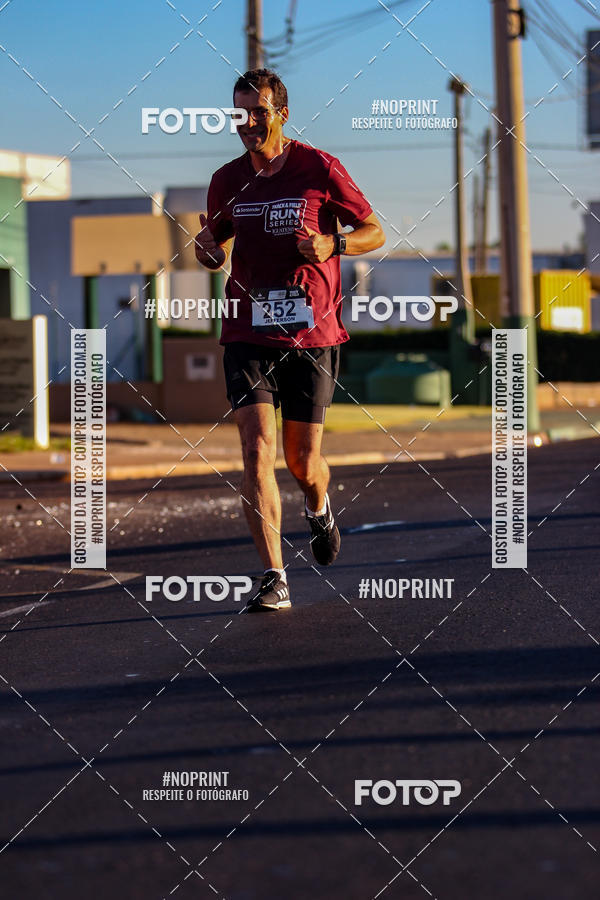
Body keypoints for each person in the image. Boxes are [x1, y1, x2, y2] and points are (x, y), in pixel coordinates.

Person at [195, 68, 385, 612]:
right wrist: (206, 250)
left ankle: (319, 506)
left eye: (258, 112)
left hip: (311, 332)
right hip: (247, 329)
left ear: (281, 113)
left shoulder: (318, 168)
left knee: (303, 463)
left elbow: (376, 230)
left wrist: (334, 244)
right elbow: (213, 251)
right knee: (257, 452)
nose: (248, 123)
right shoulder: (227, 179)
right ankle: (273, 575)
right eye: (239, 113)